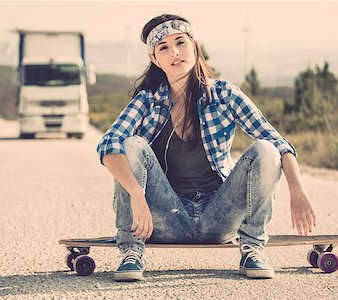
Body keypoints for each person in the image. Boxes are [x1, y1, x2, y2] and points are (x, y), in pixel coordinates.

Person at [96, 14, 317, 282]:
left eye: (180, 42)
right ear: (155, 59)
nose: (175, 53)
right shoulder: (148, 101)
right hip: (165, 218)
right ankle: (131, 252)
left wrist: (298, 189)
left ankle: (252, 249)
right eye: (163, 47)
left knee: (265, 149)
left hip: (219, 216)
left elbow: (277, 142)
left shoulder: (224, 94)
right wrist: (135, 193)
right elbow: (109, 145)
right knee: (131, 144)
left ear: (194, 46)